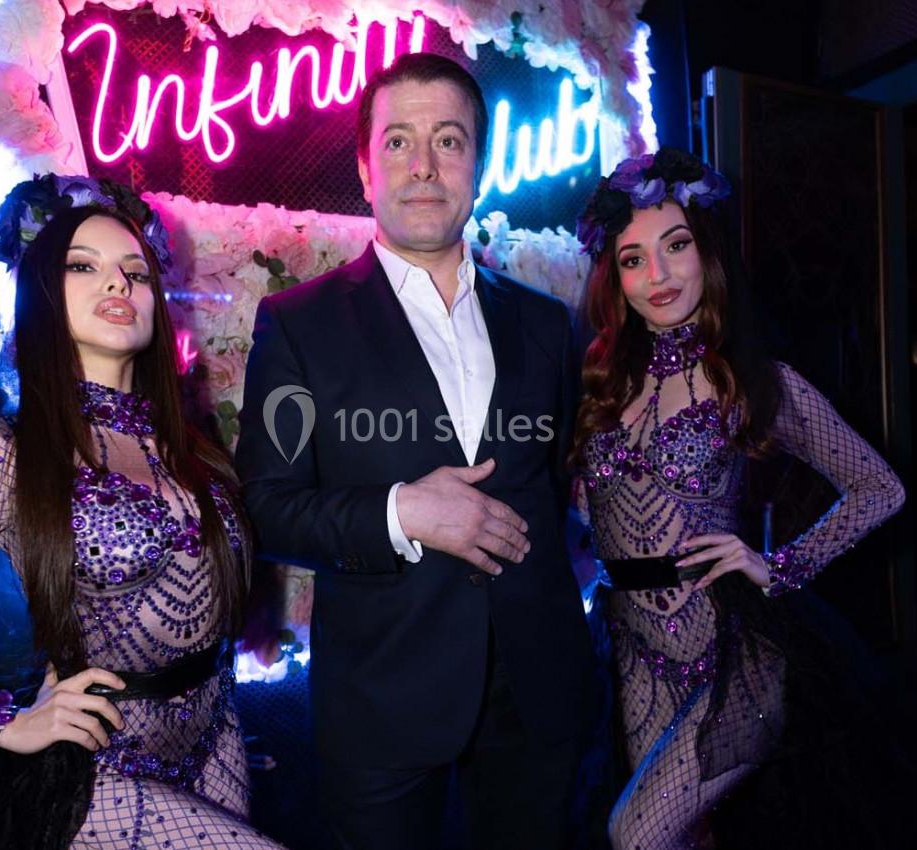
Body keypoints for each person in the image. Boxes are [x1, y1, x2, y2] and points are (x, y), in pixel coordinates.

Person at [0, 175, 284, 850]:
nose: (118, 285)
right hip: (96, 771)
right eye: (83, 267)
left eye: (135, 272)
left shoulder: (195, 452)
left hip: (217, 742)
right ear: (40, 292)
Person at [235, 52, 597, 850]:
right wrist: (404, 512)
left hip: (539, 695)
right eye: (397, 142)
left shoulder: (545, 322)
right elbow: (263, 506)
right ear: (365, 169)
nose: (424, 166)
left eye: (449, 140)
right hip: (382, 705)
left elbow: (561, 479)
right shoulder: (298, 324)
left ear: (479, 162)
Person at [572, 147, 907, 850]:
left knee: (635, 835)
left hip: (738, 650)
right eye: (632, 258)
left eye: (676, 245)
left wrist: (780, 565)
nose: (657, 274)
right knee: (686, 840)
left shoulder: (754, 380)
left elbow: (881, 488)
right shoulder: (597, 391)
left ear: (707, 251)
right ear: (615, 278)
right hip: (634, 647)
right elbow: (582, 509)